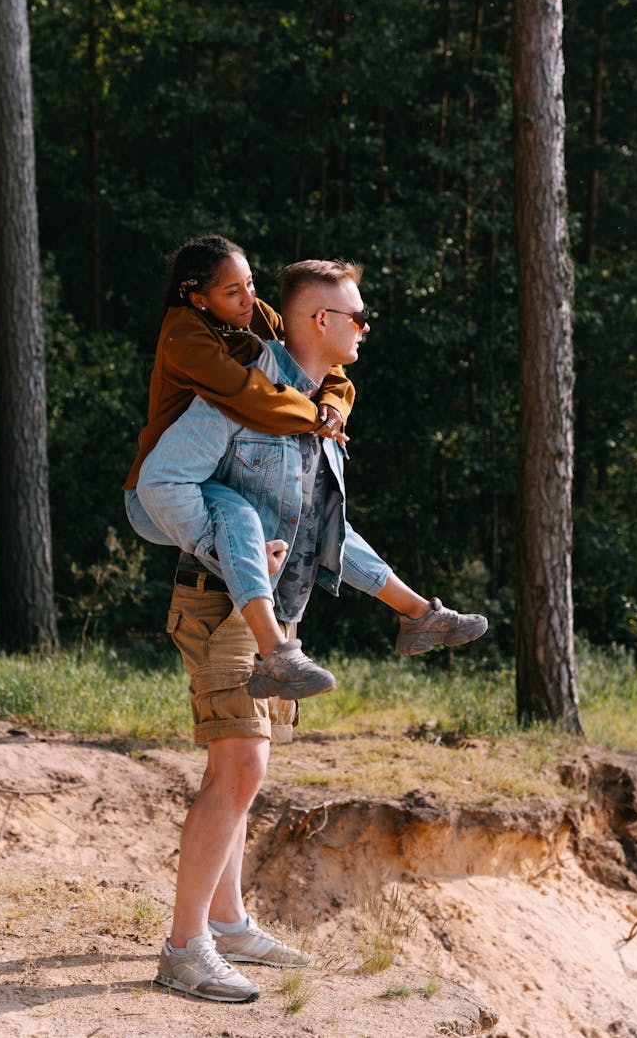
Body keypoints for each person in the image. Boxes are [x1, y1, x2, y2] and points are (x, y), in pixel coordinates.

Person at [138, 259, 488, 1003]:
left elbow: (329, 533)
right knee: (240, 771)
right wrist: (216, 545)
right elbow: (160, 482)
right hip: (225, 607)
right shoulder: (244, 394)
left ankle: (227, 924)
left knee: (238, 773)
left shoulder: (315, 407)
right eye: (356, 316)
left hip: (277, 615)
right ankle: (182, 950)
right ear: (318, 322)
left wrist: (412, 604)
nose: (365, 328)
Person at [124, 235, 354, 693]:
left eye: (250, 283)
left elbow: (323, 367)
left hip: (222, 475)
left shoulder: (256, 317)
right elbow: (246, 396)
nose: (249, 298)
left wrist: (333, 406)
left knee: (318, 516)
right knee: (238, 515)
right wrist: (314, 419)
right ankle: (275, 653)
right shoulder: (184, 336)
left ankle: (418, 613)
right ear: (198, 299)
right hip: (169, 488)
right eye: (232, 291)